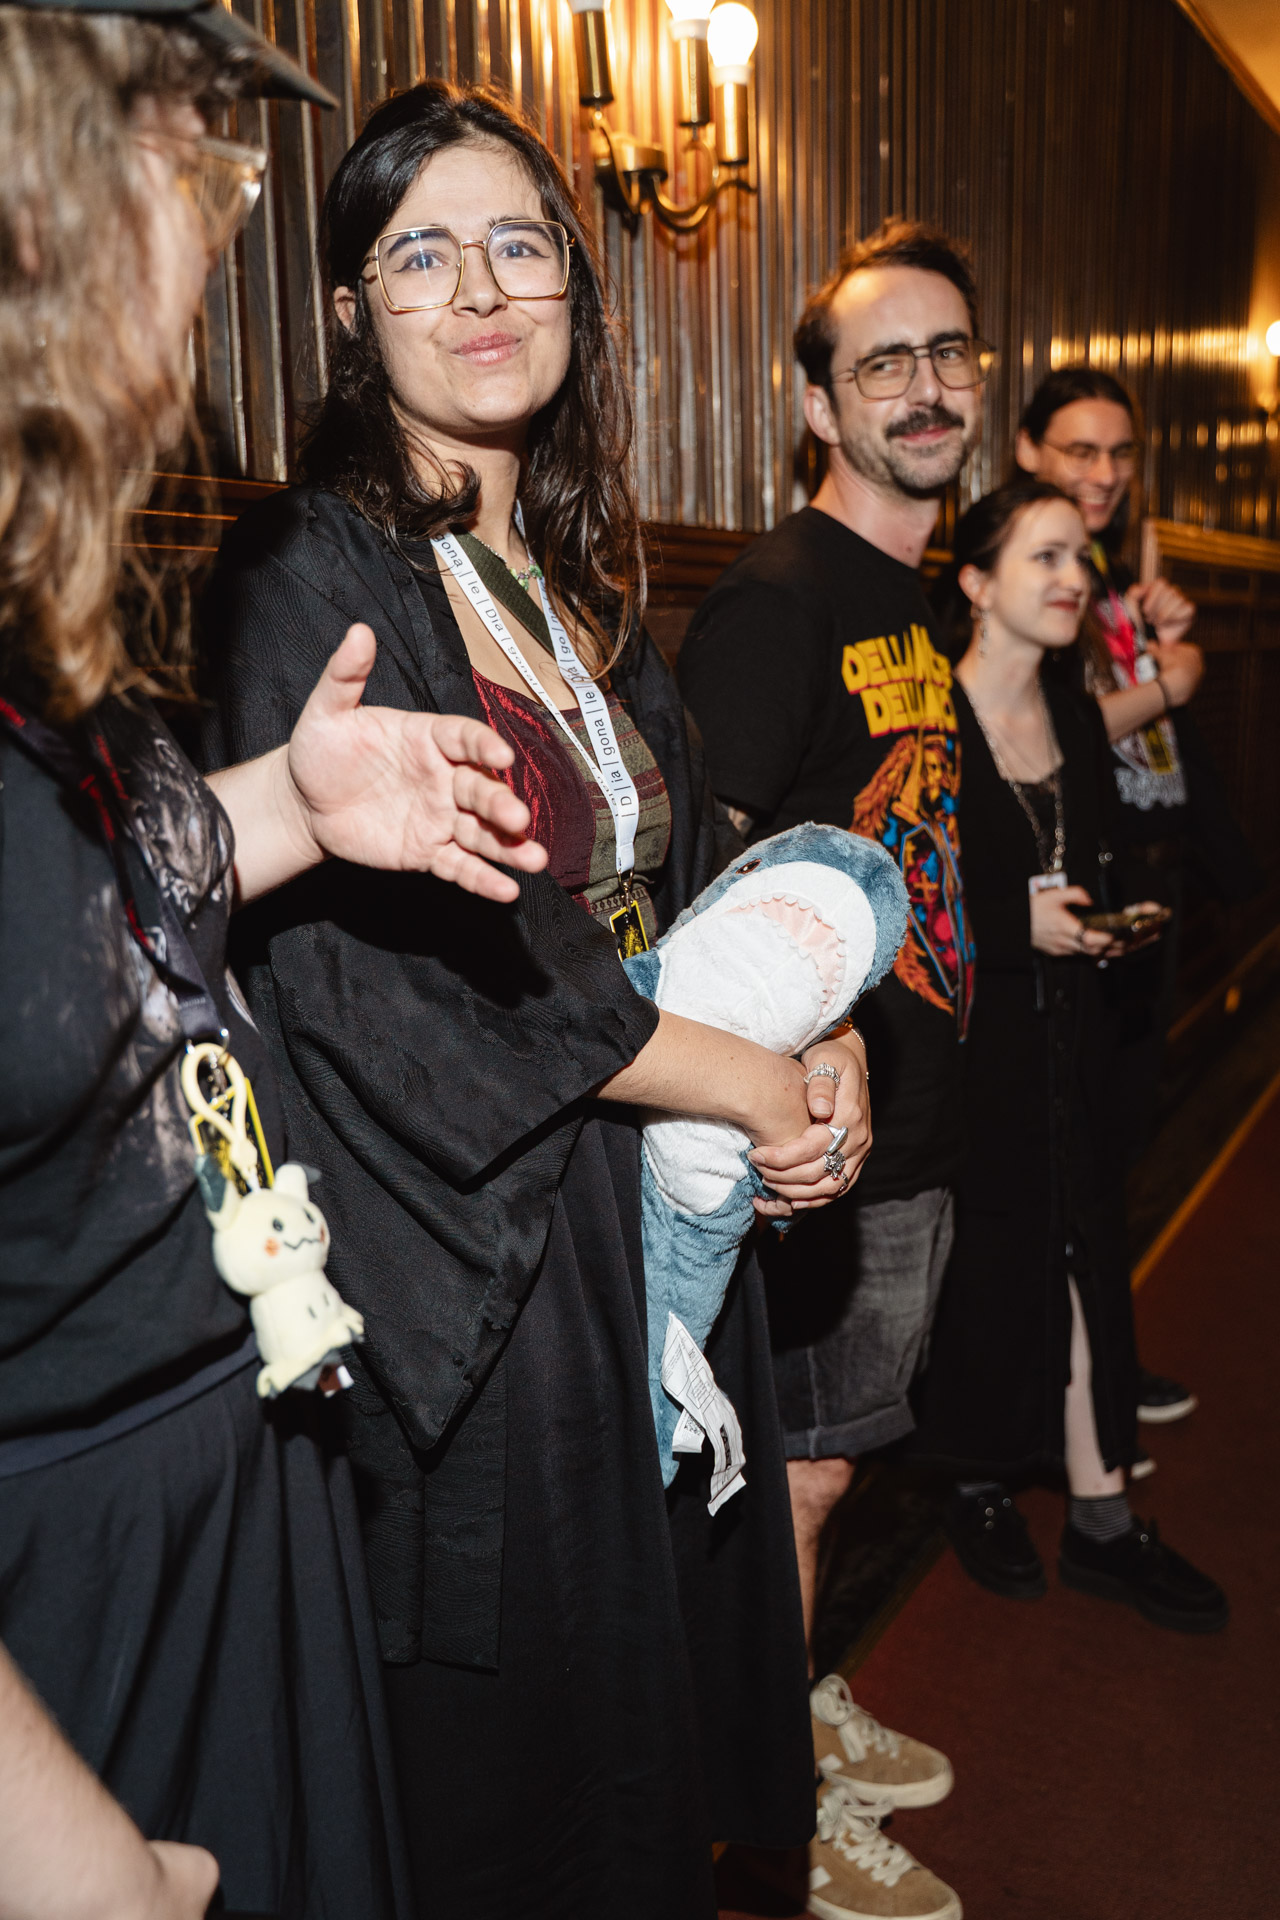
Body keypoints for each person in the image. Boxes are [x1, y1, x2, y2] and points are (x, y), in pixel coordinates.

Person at [200, 80, 870, 1920]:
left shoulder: (578, 585)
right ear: (353, 310)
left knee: (638, 1761)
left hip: (651, 1210)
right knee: (515, 1807)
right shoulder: (306, 570)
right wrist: (741, 1080)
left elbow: (698, 874)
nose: (482, 289)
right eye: (422, 253)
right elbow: (378, 991)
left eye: (518, 244)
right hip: (483, 1270)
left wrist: (816, 1036)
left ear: (577, 285)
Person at [0, 11, 549, 1916]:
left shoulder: (27, 595)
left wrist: (284, 810)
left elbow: (66, 926)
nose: (208, 230)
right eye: (186, 169)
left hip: (234, 1483)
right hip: (69, 1612)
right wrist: (66, 1862)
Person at [679, 219, 986, 1920]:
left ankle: (789, 1705)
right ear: (818, 404)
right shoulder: (781, 601)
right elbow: (700, 881)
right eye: (885, 363)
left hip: (909, 1127)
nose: (926, 389)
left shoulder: (912, 597)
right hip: (814, 1136)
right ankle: (771, 1827)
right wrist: (794, 1069)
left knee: (832, 1472)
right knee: (793, 1482)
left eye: (949, 354)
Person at [912, 477, 1228, 1634]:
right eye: (1042, 557)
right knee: (987, 1267)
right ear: (974, 582)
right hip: (968, 1052)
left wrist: (1102, 923)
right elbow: (895, 899)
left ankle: (1099, 1513)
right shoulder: (928, 725)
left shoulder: (1073, 712)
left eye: (1077, 559)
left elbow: (1090, 855)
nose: (1070, 579)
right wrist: (1015, 927)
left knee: (1087, 1248)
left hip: (1073, 1037)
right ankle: (976, 1481)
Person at [1014, 367, 1255, 1438]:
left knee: (1112, 1151)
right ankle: (1078, 1393)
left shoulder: (1107, 568)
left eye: (1119, 453)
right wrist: (1171, 683)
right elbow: (1042, 727)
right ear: (1029, 452)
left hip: (1145, 887)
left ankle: (1103, 1368)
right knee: (1074, 1159)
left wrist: (1158, 632)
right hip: (1078, 898)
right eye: (1080, 450)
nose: (1105, 472)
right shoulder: (1021, 563)